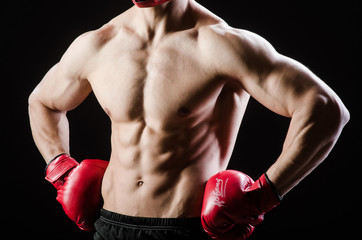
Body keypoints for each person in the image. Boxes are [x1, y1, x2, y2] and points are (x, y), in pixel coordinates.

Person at [28, 0, 350, 239]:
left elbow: (324, 109)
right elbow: (42, 102)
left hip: (186, 229)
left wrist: (261, 197)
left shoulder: (220, 44)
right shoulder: (99, 44)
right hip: (110, 227)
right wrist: (61, 172)